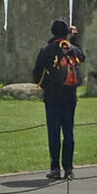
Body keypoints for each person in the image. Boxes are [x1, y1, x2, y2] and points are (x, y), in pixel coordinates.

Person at [31, 20, 85, 179]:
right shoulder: (72, 49)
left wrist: (43, 85)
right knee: (69, 132)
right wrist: (74, 40)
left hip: (52, 96)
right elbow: (82, 57)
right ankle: (68, 168)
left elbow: (37, 71)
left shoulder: (46, 50)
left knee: (54, 133)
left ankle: (55, 168)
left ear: (52, 31)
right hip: (70, 96)